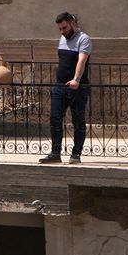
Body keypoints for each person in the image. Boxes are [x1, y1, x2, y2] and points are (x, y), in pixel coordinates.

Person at [39, 11, 91, 164]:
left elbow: (81, 61)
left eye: (64, 28)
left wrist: (76, 79)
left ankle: (76, 154)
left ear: (72, 23)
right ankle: (55, 153)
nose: (62, 31)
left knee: (78, 120)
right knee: (55, 118)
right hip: (60, 85)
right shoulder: (62, 39)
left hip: (77, 87)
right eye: (60, 29)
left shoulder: (84, 39)